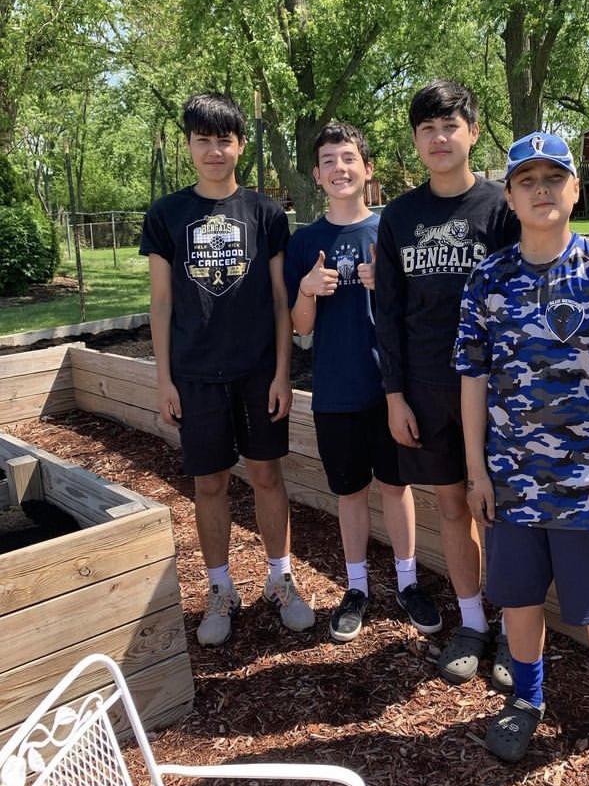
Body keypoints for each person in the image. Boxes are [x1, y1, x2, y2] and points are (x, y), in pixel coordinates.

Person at [453, 130, 589, 781]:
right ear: (510, 197)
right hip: (513, 479)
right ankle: (526, 698)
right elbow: (472, 380)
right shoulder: (488, 279)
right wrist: (476, 471)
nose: (541, 190)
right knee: (517, 600)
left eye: (553, 178)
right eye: (527, 181)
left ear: (574, 190)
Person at [140, 92, 314, 647]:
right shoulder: (166, 215)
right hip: (195, 374)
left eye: (225, 140)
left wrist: (283, 373)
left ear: (240, 145)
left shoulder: (265, 214)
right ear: (189, 145)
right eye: (203, 140)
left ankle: (279, 578)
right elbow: (161, 304)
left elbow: (281, 300)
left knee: (266, 475)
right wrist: (164, 379)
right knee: (208, 482)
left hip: (258, 370)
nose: (214, 151)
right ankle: (220, 589)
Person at [374, 79, 520, 689]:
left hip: (497, 391)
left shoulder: (501, 210)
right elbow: (387, 311)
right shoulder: (399, 217)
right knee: (453, 507)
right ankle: (472, 623)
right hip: (427, 391)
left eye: (450, 126)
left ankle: (515, 630)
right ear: (416, 140)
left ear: (473, 133)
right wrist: (395, 396)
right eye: (427, 129)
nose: (439, 138)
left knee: (501, 513)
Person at [284, 122, 441, 642]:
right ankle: (356, 589)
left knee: (396, 488)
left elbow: (415, 311)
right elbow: (300, 327)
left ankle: (408, 582)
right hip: (335, 392)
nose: (339, 168)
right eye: (328, 160)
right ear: (316, 174)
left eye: (348, 158)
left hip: (390, 391)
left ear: (367, 169)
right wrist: (307, 289)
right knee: (350, 493)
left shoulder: (389, 232)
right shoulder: (306, 242)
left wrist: (384, 286)